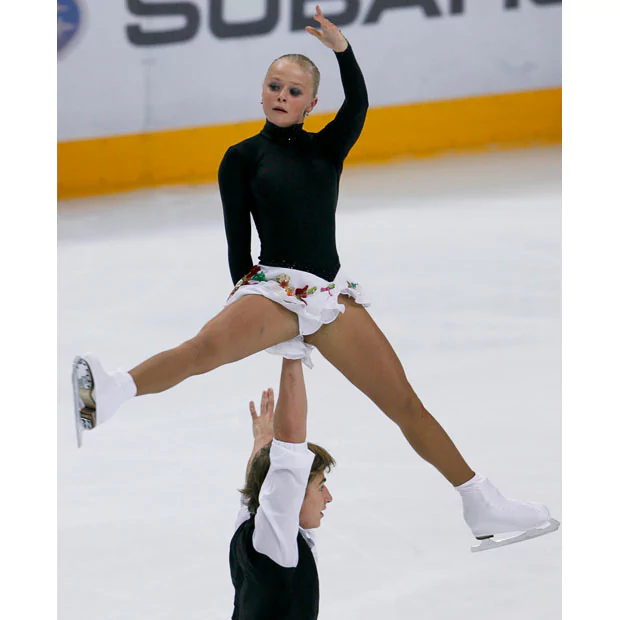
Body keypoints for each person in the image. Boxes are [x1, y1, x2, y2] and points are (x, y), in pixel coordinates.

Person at [72, 5, 558, 549]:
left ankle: (479, 500)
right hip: (274, 287)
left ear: (311, 103)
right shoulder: (240, 158)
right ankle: (113, 391)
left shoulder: (328, 148)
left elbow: (361, 103)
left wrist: (343, 51)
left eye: (295, 90)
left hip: (327, 296)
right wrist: (250, 307)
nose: (282, 95)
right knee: (202, 348)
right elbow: (239, 245)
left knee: (405, 403)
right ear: (262, 92)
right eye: (274, 85)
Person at [230, 358, 333, 619]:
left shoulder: (249, 527)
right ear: (294, 493)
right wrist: (293, 355)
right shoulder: (275, 546)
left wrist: (263, 441)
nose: (328, 498)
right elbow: (290, 456)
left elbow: (255, 488)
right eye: (320, 487)